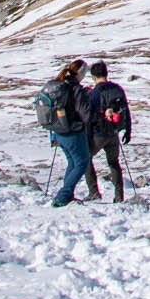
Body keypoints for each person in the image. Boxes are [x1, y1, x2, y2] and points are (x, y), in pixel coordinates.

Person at [41, 59, 91, 207]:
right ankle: (63, 196)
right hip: (72, 131)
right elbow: (85, 114)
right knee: (82, 163)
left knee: (73, 162)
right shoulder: (75, 88)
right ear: (81, 73)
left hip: (58, 131)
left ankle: (67, 195)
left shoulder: (61, 84)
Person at [83, 60, 133, 203]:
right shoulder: (118, 89)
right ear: (107, 73)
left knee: (86, 159)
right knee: (114, 163)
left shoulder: (94, 93)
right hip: (114, 132)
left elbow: (90, 116)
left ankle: (94, 192)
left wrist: (87, 136)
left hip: (98, 133)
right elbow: (126, 111)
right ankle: (119, 196)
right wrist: (127, 131)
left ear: (93, 77)